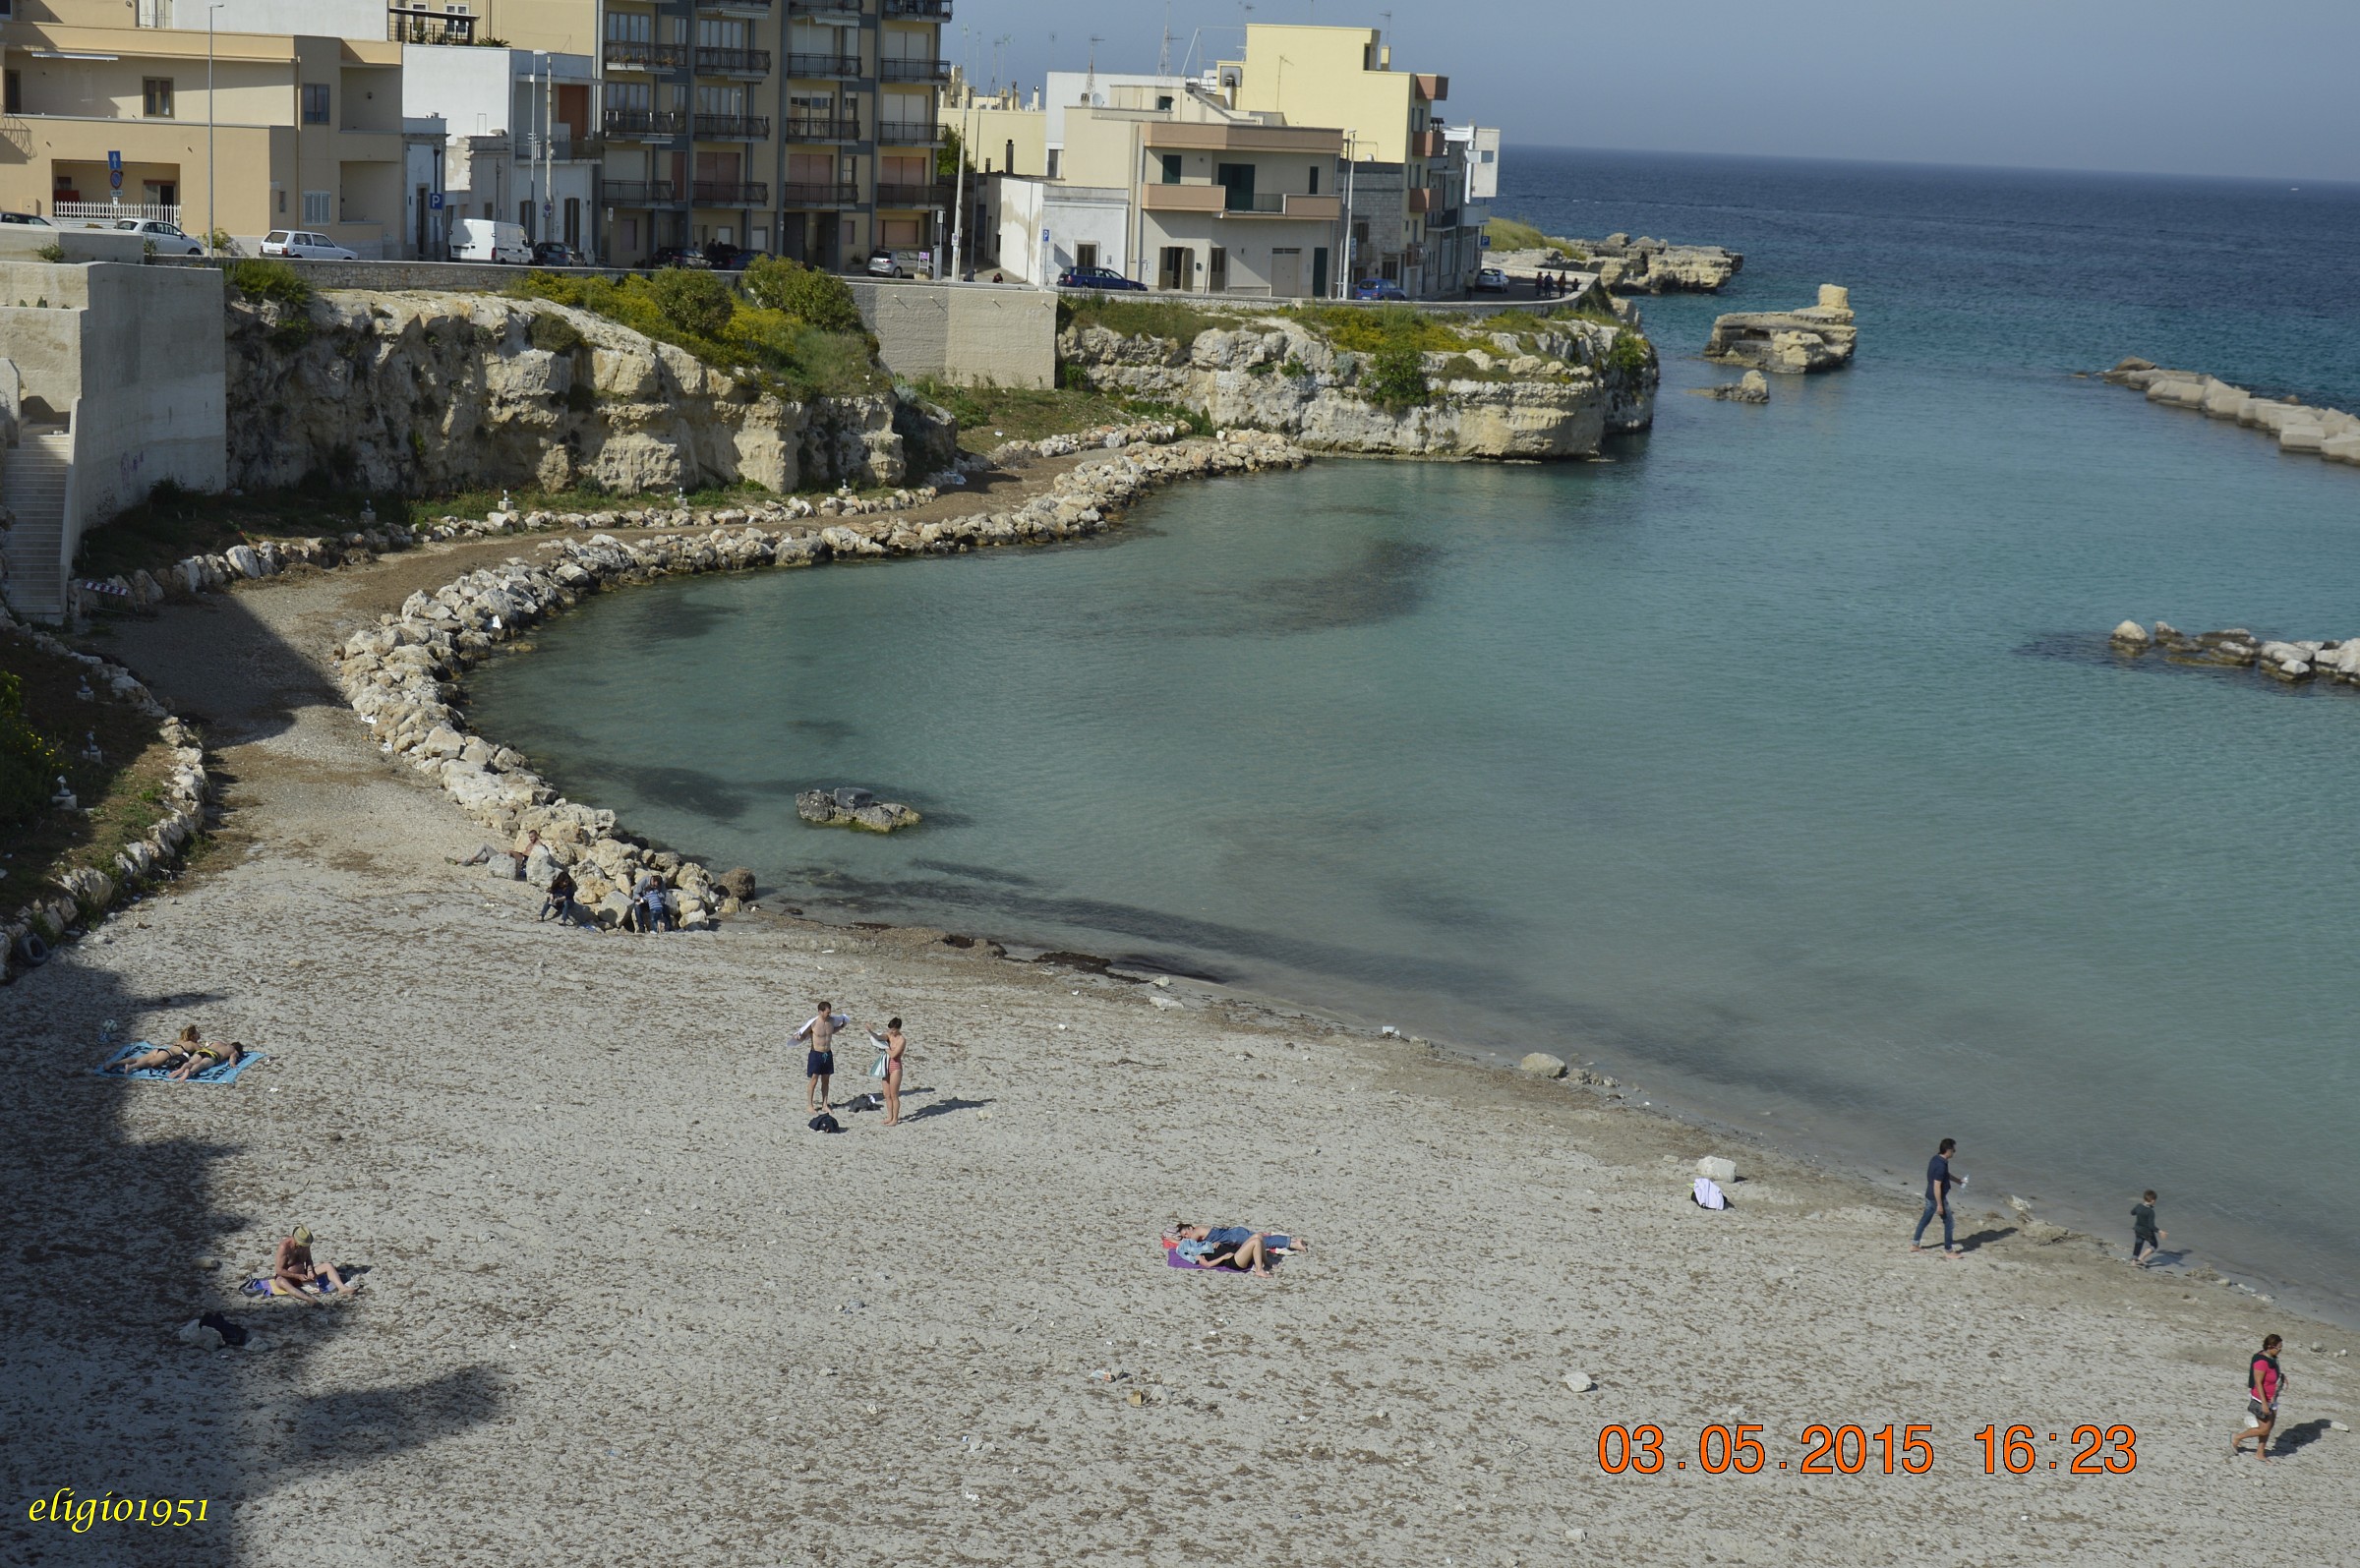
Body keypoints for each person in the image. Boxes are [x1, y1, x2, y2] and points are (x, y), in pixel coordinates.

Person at [269, 1226, 357, 1303]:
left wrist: (310, 1270)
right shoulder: (284, 1247)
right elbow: (279, 1270)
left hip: (303, 1274)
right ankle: (308, 1299)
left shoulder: (306, 1244)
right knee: (281, 1282)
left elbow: (308, 1260)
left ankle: (342, 1288)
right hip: (287, 1277)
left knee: (328, 1265)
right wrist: (297, 1276)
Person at [2234, 1334, 2285, 1462]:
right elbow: (2258, 1383)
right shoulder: (2261, 1362)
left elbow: (2273, 1374)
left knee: (2269, 1427)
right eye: (2278, 1348)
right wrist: (2263, 1403)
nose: (2280, 1350)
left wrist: (2282, 1377)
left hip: (2272, 1398)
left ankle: (2260, 1453)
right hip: (2261, 1398)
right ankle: (2237, 1437)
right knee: (2263, 1429)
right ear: (2270, 1347)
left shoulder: (2272, 1358)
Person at [1911, 1137, 1962, 1258]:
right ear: (1948, 1150)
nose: (1954, 1152)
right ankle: (1949, 1251)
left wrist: (1958, 1181)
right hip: (1936, 1198)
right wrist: (1939, 1204)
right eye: (1953, 1149)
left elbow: (1945, 1175)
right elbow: (1937, 1185)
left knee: (1925, 1220)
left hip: (1929, 1195)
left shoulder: (1937, 1159)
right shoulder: (1941, 1165)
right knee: (1949, 1223)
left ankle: (1914, 1245)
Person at [798, 1000, 838, 1114]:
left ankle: (825, 1104)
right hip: (816, 1053)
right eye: (827, 1012)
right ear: (820, 1012)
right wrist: (797, 1038)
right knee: (814, 1079)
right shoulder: (814, 1023)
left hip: (827, 1053)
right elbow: (804, 1034)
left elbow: (832, 1031)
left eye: (830, 1012)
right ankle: (810, 1105)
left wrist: (842, 1026)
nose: (829, 1014)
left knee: (826, 1080)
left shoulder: (831, 1021)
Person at [868, 1017, 907, 1127]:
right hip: (885, 1065)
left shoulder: (901, 1040)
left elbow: (894, 1054)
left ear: (898, 1029)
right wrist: (871, 1031)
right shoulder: (889, 1035)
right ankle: (889, 1116)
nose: (891, 1032)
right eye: (890, 1029)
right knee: (886, 1094)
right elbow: (879, 1037)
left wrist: (885, 1048)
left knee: (894, 1094)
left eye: (893, 1030)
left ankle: (895, 1118)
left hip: (895, 1067)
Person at [2131, 1190, 2166, 1267]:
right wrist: (2160, 1231)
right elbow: (2151, 1226)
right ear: (2153, 1201)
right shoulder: (2150, 1212)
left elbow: (2132, 1213)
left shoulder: (2138, 1206)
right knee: (2154, 1245)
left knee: (2138, 1244)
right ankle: (2141, 1257)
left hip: (2137, 1229)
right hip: (2147, 1232)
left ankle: (2133, 1262)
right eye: (2155, 1201)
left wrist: (2138, 1211)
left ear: (2144, 1199)